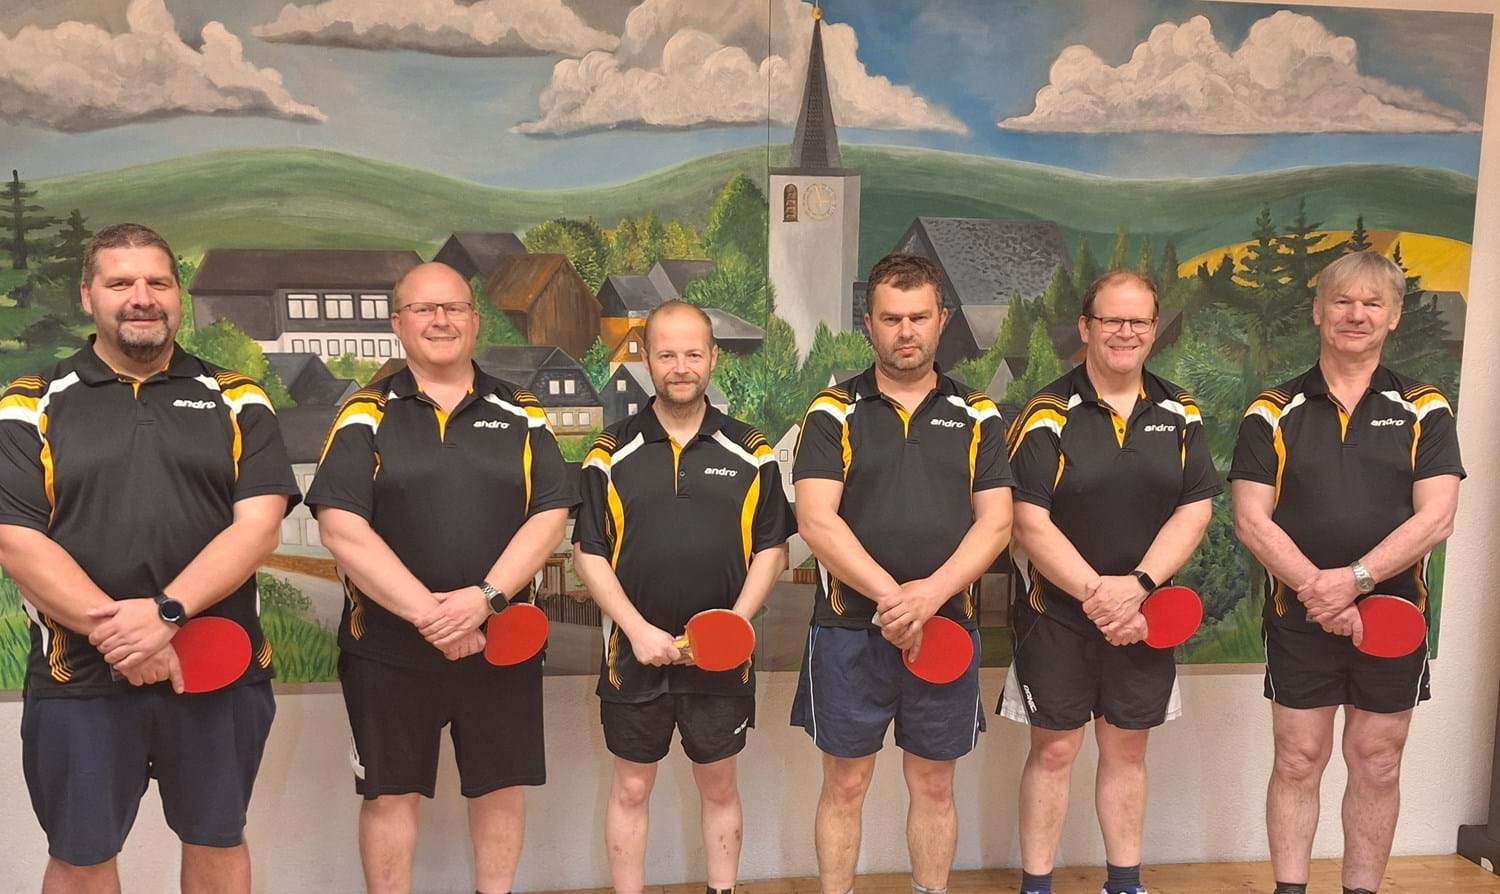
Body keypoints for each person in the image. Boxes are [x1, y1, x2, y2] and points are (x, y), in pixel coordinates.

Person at [0, 223, 300, 893]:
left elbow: (258, 529)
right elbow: (16, 538)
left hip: (218, 673)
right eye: (121, 283)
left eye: (158, 282)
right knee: (80, 858)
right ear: (88, 296)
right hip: (79, 675)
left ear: (178, 296)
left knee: (218, 840)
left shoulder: (239, 398)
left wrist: (165, 615)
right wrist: (125, 638)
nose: (142, 297)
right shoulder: (26, 403)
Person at [307, 262, 576, 894]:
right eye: (423, 309)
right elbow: (341, 528)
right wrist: (434, 617)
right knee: (389, 794)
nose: (440, 320)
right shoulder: (363, 414)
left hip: (500, 642)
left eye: (454, 307)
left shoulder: (523, 411)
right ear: (398, 324)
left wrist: (484, 600)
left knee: (499, 788)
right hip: (387, 649)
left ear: (475, 321)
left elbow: (550, 515)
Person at [1229, 251, 1464, 894]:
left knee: (1377, 762)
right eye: (1342, 301)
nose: (1356, 315)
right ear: (1317, 311)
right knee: (1298, 759)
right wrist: (1322, 593)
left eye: (1372, 303)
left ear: (1393, 317)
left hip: (1394, 618)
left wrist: (1353, 581)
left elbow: (1437, 517)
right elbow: (1251, 519)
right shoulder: (1270, 410)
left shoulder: (1425, 408)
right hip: (1299, 616)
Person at [791, 253, 1013, 894]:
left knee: (935, 784)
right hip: (849, 633)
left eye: (918, 316)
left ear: (942, 318)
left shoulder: (979, 415)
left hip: (946, 631)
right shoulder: (831, 412)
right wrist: (896, 600)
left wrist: (931, 597)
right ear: (869, 324)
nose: (906, 331)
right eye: (891, 318)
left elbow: (996, 524)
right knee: (845, 783)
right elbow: (816, 521)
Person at [999, 270, 1220, 894]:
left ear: (1154, 328)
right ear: (1086, 327)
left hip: (1144, 615)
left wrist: (1139, 587)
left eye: (1139, 321)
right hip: (1057, 616)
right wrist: (1103, 598)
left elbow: (1195, 509)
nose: (1126, 332)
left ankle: (1124, 883)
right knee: (1055, 751)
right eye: (1112, 320)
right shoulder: (1045, 414)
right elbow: (1028, 522)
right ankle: (1037, 886)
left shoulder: (1180, 411)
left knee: (1127, 750)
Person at [573, 299, 794, 894]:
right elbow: (588, 554)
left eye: (693, 353)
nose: (680, 366)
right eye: (666, 354)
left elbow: (773, 549)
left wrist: (729, 630)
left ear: (713, 358)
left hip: (720, 663)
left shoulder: (753, 451)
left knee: (719, 785)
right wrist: (637, 631)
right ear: (646, 359)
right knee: (631, 788)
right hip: (632, 656)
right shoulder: (607, 452)